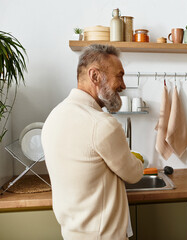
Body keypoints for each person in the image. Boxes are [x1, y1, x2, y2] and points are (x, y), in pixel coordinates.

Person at [42, 44, 144, 240]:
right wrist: (135, 158)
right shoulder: (102, 125)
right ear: (95, 76)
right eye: (119, 76)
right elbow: (134, 173)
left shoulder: (53, 117)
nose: (123, 85)